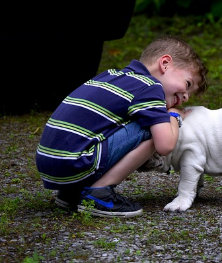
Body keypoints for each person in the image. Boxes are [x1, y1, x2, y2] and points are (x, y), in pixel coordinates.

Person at [35, 36, 208, 218]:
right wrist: (172, 115)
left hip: (50, 164)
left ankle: (72, 193)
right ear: (165, 63)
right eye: (188, 84)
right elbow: (165, 145)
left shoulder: (110, 76)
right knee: (152, 126)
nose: (186, 97)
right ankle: (99, 193)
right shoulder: (150, 87)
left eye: (189, 94)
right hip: (76, 162)